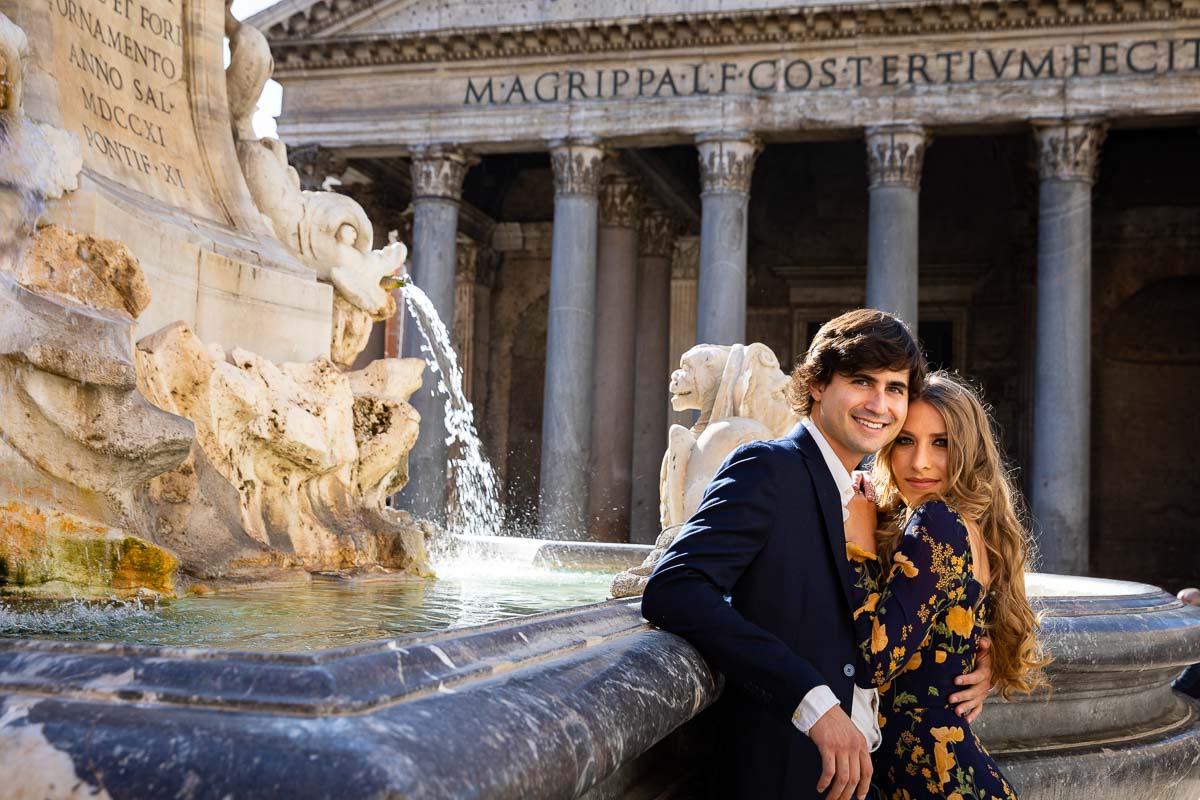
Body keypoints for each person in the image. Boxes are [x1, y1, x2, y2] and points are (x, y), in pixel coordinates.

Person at [641, 310, 993, 800]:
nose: (880, 404)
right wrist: (812, 701)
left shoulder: (876, 503)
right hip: (788, 772)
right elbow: (674, 588)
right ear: (818, 385)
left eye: (895, 388)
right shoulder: (768, 468)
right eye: (861, 381)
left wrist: (976, 649)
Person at [843, 372, 1047, 799]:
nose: (920, 462)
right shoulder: (959, 525)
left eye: (941, 443)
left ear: (968, 451)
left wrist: (858, 547)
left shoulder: (937, 522)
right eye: (905, 441)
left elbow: (874, 664)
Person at [1174, 588, 1200, 699]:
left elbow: (1195, 667)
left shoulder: (1195, 625)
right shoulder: (1187, 621)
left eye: (1181, 602)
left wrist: (1174, 688)